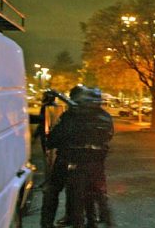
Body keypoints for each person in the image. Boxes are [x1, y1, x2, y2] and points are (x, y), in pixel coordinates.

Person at [41, 86, 114, 228]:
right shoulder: (105, 116)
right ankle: (97, 220)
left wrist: (51, 140)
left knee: (52, 190)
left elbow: (54, 139)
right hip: (95, 163)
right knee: (96, 193)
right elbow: (108, 137)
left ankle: (47, 224)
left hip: (69, 160)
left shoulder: (70, 117)